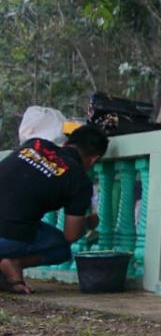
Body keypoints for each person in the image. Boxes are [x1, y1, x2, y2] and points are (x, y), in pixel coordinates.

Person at [0, 125, 108, 294]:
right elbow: (71, 235)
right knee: (61, 249)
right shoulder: (79, 180)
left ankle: (10, 271)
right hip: (6, 237)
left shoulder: (34, 144)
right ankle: (14, 262)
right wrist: (88, 223)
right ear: (93, 159)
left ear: (66, 143)